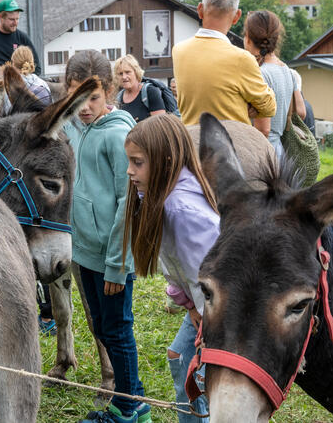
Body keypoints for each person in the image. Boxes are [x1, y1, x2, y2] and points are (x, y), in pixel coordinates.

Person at [63, 49, 151, 423]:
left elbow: (126, 204)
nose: (84, 107)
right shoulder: (73, 127)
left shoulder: (118, 136)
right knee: (101, 327)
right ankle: (134, 396)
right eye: (76, 98)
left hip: (112, 258)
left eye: (93, 98)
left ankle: (129, 409)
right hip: (85, 251)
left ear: (110, 91)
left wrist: (118, 264)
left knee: (117, 329)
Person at [123, 114, 220, 423]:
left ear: (164, 160)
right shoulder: (157, 197)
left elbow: (210, 277)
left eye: (138, 163)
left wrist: (207, 321)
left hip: (221, 311)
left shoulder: (182, 211)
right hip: (204, 305)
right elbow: (178, 266)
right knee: (181, 361)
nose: (129, 171)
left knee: (195, 372)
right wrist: (188, 303)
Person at [172, 0, 275, 126]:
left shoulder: (178, 51)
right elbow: (269, 107)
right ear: (237, 16)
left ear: (200, 9)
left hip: (191, 141)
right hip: (232, 141)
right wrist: (247, 105)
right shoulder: (241, 58)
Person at [243, 10, 306, 159]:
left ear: (249, 40)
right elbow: (302, 112)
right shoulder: (287, 71)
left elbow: (263, 130)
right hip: (280, 151)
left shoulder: (261, 74)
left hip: (262, 153)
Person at [0, 0, 41, 75]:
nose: (15, 23)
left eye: (17, 19)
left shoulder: (22, 38)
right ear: (1, 17)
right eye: (11, 19)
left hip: (16, 83)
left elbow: (37, 68)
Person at [114, 54, 165, 122]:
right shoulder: (119, 98)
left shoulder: (150, 92)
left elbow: (160, 124)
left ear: (136, 72)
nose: (124, 77)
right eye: (120, 74)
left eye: (127, 72)